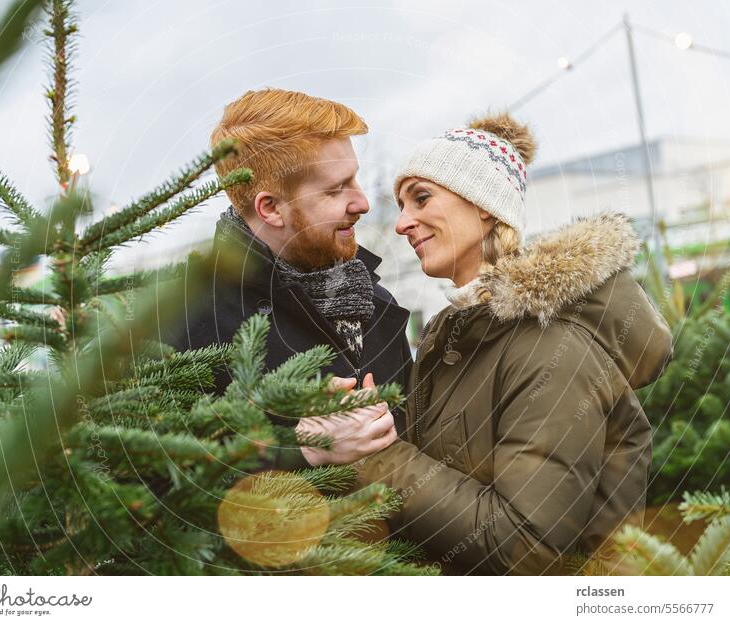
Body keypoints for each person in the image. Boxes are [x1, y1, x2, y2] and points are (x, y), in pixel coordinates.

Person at [301, 112, 674, 574]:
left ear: (483, 205)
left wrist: (379, 457)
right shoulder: (460, 337)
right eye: (400, 206)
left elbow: (526, 550)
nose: (401, 224)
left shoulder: (551, 349)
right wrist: (354, 432)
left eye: (421, 198)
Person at [163, 88, 406, 469]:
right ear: (272, 208)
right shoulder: (188, 324)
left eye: (354, 179)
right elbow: (165, 481)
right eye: (335, 188)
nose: (362, 203)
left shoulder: (374, 301)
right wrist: (302, 450)